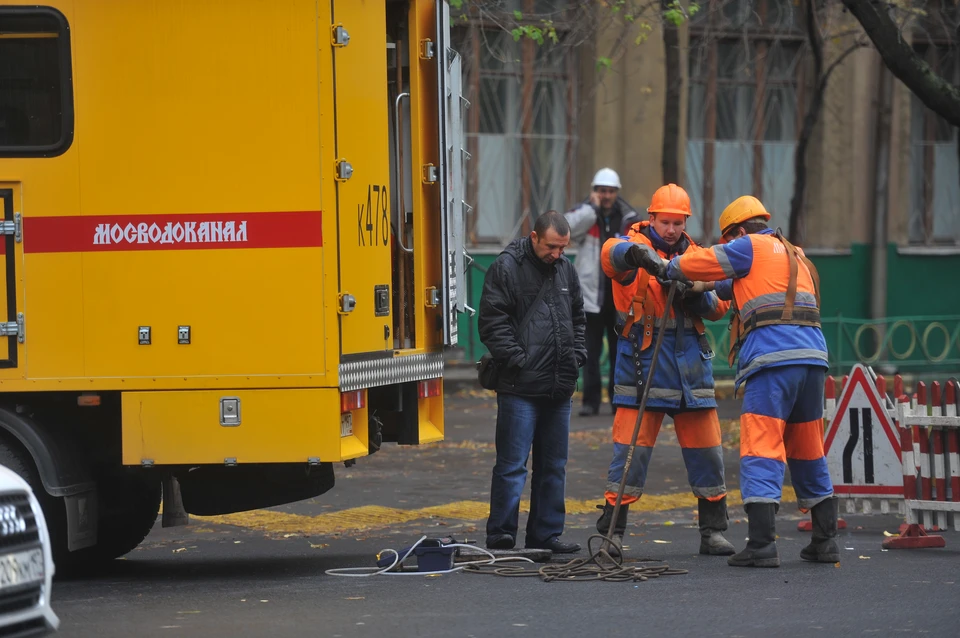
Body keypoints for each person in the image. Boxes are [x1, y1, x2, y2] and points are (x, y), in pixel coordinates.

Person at [627, 195, 838, 568]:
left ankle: (761, 546)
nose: (727, 248)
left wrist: (669, 266)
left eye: (728, 242)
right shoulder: (794, 254)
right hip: (813, 359)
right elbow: (723, 287)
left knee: (761, 446)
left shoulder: (749, 246)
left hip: (773, 360)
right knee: (808, 447)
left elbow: (703, 262)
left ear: (739, 233)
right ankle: (825, 541)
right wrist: (696, 290)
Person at [594, 183, 735, 558]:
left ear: (685, 221)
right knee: (630, 454)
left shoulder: (698, 256)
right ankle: (612, 533)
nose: (671, 229)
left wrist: (696, 294)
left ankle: (713, 532)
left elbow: (721, 305)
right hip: (644, 363)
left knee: (708, 453)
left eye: (677, 222)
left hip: (691, 365)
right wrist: (639, 256)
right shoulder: (631, 246)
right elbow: (611, 257)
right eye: (664, 222)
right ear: (650, 218)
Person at [478, 210, 587, 554]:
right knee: (512, 467)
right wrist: (519, 361)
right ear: (534, 237)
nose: (558, 255)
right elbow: (492, 322)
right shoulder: (506, 267)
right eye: (552, 247)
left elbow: (578, 317)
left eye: (564, 248)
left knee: (553, 467)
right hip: (520, 387)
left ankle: (546, 535)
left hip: (558, 384)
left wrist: (577, 356)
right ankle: (501, 536)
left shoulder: (565, 269)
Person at [565, 168, 639, 416]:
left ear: (616, 192)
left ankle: (618, 400)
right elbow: (566, 229)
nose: (606, 196)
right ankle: (590, 401)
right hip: (591, 297)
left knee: (621, 353)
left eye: (610, 191)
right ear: (594, 191)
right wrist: (591, 208)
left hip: (620, 297)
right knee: (590, 353)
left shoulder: (628, 218)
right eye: (601, 191)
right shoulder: (587, 215)